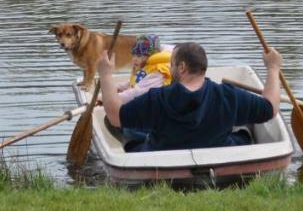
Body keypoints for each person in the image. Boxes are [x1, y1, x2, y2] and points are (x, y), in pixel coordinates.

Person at [98, 41, 282, 152]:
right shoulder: (229, 95)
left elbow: (114, 116)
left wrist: (106, 75)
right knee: (244, 132)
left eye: (172, 64)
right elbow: (270, 108)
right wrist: (273, 68)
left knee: (130, 131)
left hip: (163, 154)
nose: (170, 68)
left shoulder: (156, 98)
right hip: (218, 151)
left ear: (182, 67)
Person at [117, 33, 172, 105]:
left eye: (139, 56)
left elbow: (136, 93)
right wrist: (117, 87)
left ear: (152, 56)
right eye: (134, 55)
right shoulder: (146, 67)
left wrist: (109, 97)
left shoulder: (158, 71)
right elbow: (135, 80)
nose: (135, 59)